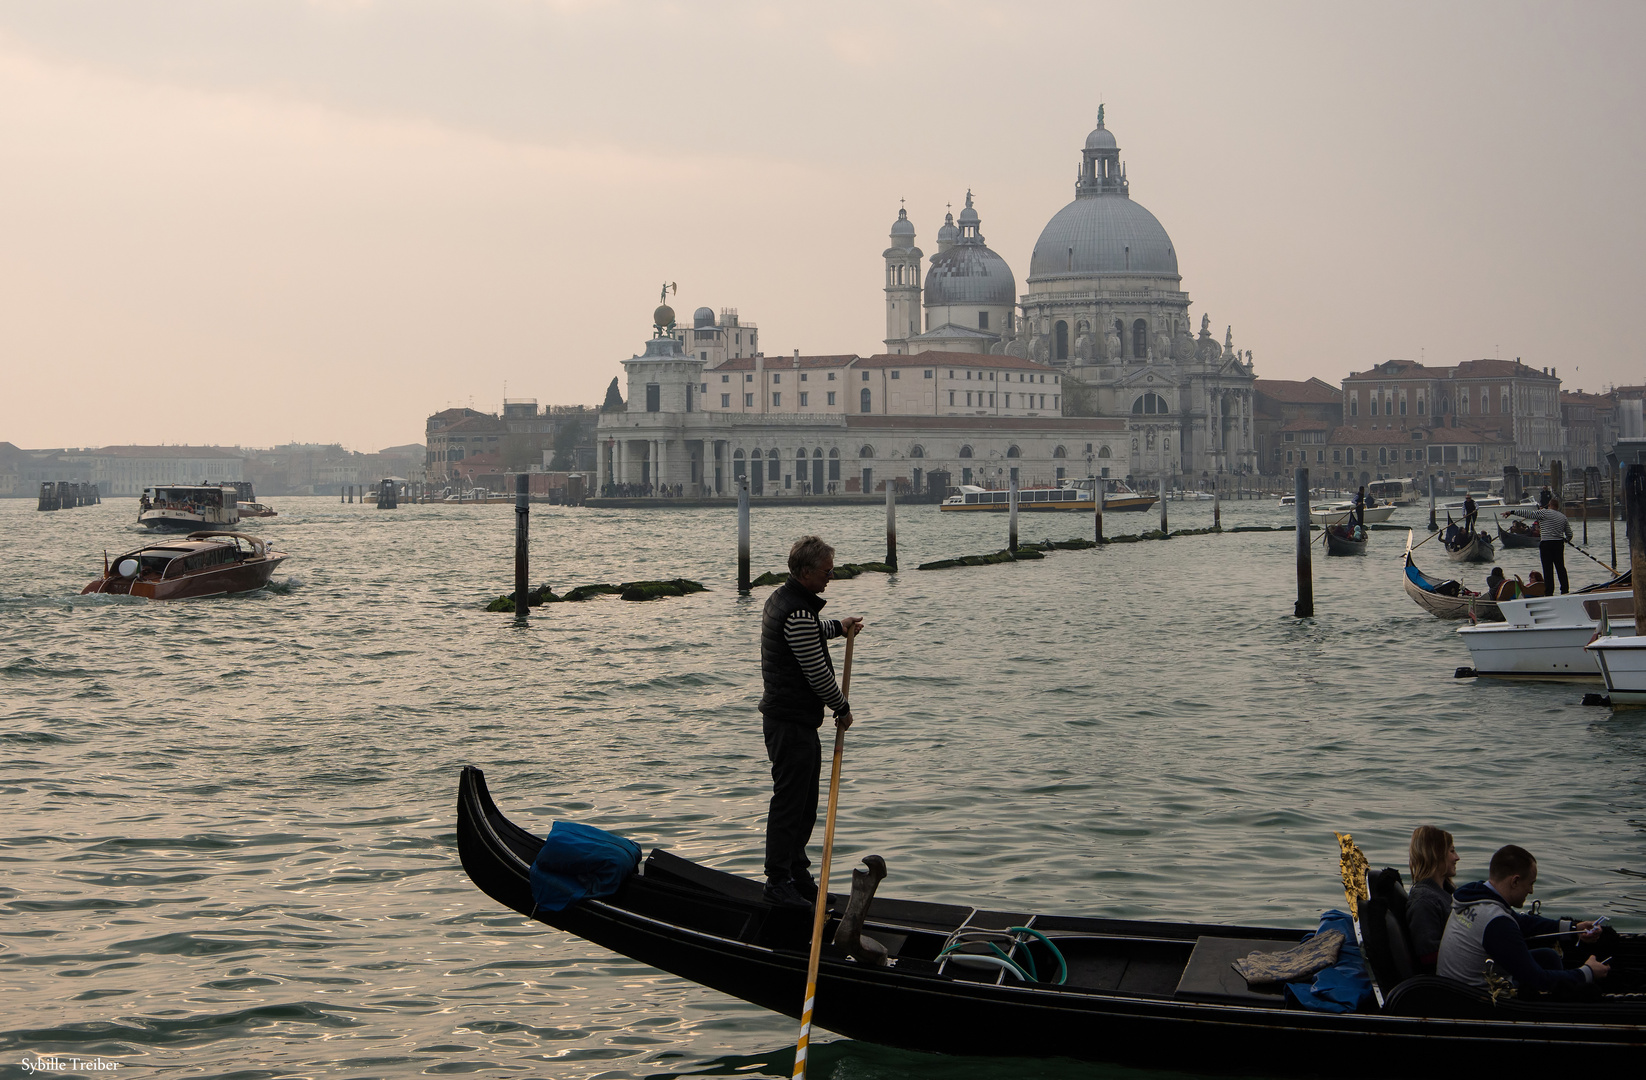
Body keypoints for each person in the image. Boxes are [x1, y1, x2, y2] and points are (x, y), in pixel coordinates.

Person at [758, 535, 864, 909]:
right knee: (791, 803)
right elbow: (816, 671)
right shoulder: (797, 610)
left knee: (805, 803)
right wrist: (841, 706)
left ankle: (797, 872)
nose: (831, 576)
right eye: (826, 570)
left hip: (792, 720)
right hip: (790, 722)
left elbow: (807, 635)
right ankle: (778, 880)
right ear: (805, 573)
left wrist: (839, 626)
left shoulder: (786, 601)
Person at [1436, 844, 1608, 993]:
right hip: (1478, 999)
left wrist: (1574, 928)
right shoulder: (1496, 923)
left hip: (1455, 986)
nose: (1531, 891)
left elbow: (1521, 922)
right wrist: (1587, 973)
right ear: (1515, 881)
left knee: (1549, 957)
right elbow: (1538, 979)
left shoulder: (1475, 898)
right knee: (1547, 976)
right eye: (1531, 883)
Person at [1407, 826, 1459, 974]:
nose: (1457, 857)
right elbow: (1428, 957)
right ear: (1436, 854)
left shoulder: (1446, 893)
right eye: (1451, 851)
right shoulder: (1424, 901)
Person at [1505, 498, 1573, 594]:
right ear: (1557, 507)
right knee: (1560, 567)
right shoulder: (1563, 517)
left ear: (1549, 505)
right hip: (1558, 544)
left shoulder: (1544, 513)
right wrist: (1566, 540)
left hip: (1546, 544)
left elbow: (1528, 514)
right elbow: (1569, 534)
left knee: (1547, 569)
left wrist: (1512, 512)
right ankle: (1565, 590)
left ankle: (1549, 592)